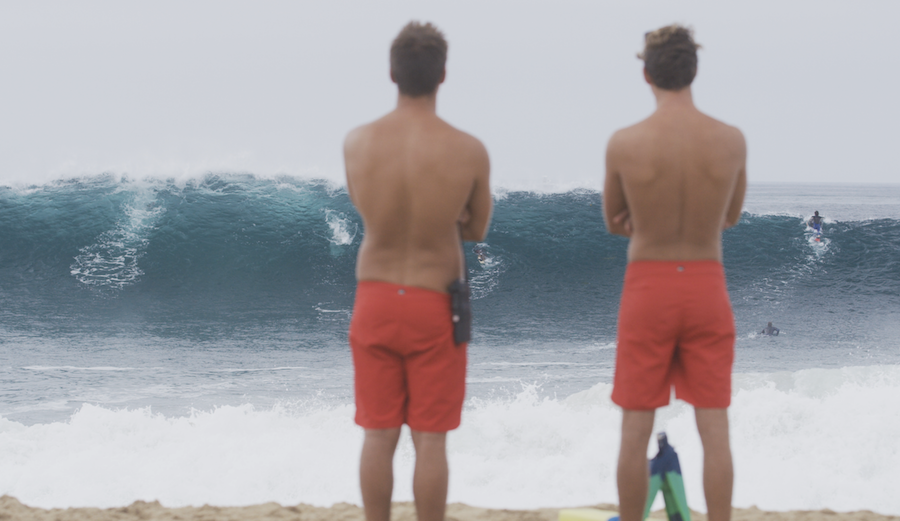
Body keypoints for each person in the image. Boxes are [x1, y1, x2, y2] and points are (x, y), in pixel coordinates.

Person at [343, 21, 492, 521]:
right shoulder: (467, 149)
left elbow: (367, 209)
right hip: (434, 303)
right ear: (442, 74)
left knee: (378, 433)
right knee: (431, 439)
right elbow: (476, 229)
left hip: (377, 297)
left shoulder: (358, 143)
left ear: (392, 72)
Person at [603, 25, 746, 521]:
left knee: (634, 429)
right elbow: (730, 216)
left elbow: (613, 219)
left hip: (650, 285)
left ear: (647, 73)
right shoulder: (730, 140)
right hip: (706, 284)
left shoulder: (625, 142)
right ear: (694, 71)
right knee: (715, 428)